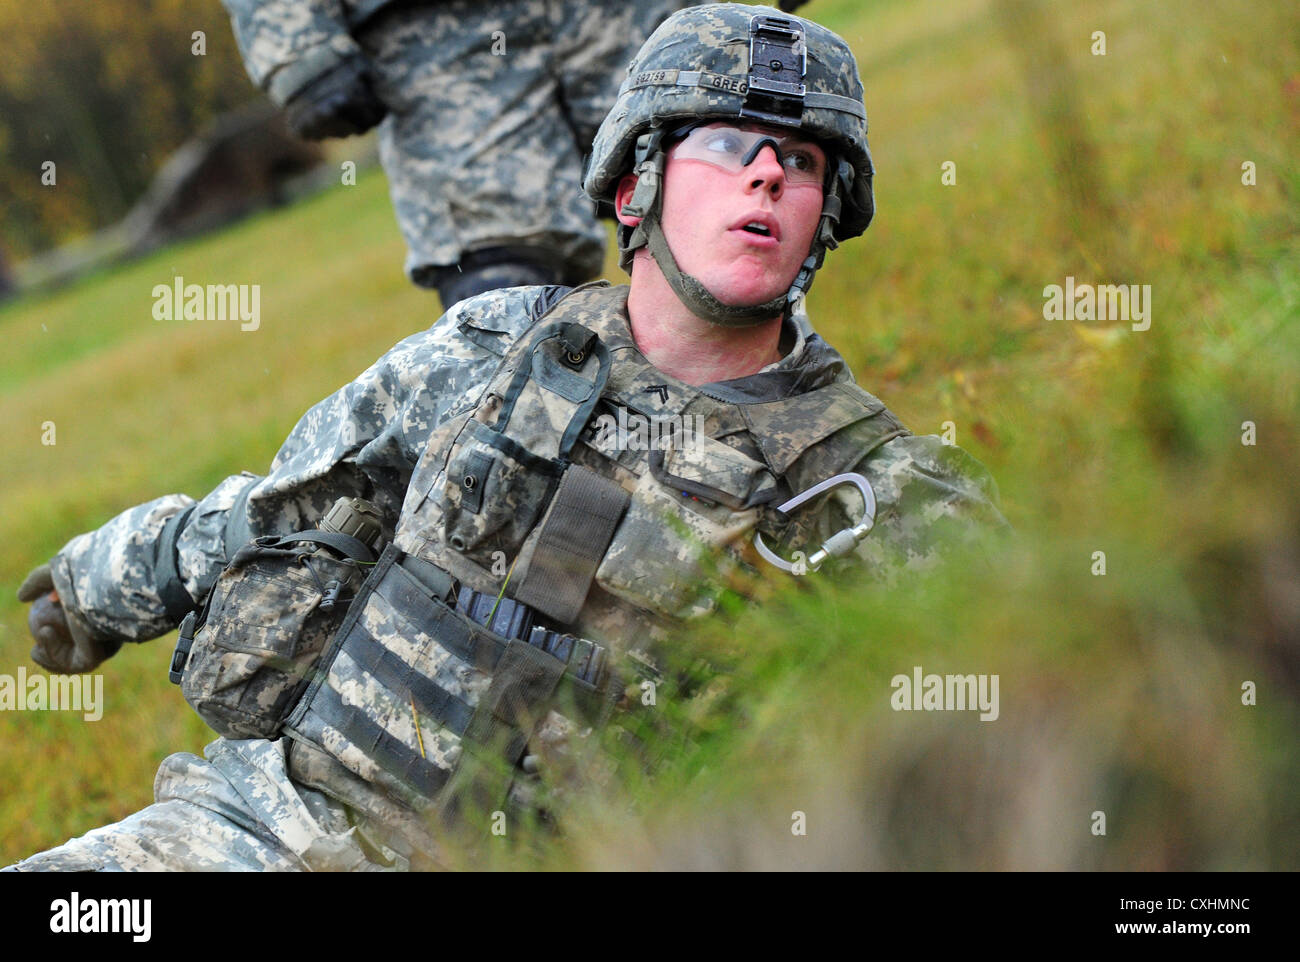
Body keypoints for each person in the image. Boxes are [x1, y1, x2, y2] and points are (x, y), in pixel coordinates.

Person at [8, 3, 1003, 871]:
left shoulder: (876, 498)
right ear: (634, 189)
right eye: (722, 146)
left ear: (826, 214)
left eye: (799, 161)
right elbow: (278, 506)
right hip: (283, 827)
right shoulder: (493, 344)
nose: (764, 179)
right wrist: (99, 583)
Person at [220, 0, 704, 307]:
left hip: (627, 17)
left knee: (717, 201)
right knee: (505, 290)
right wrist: (294, 41)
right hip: (440, 35)